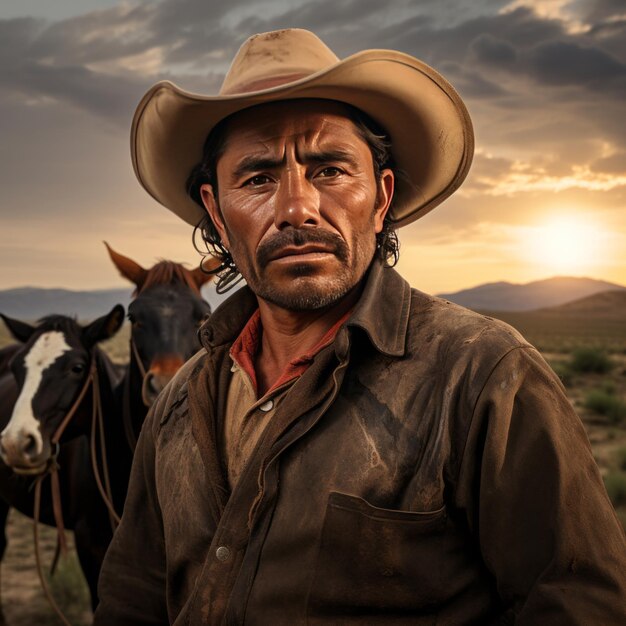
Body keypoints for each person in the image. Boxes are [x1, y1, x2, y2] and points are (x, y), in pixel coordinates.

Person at [94, 28, 626, 625]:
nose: (296, 208)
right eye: (258, 178)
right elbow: (132, 597)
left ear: (381, 197)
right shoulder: (178, 406)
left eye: (329, 170)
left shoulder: (483, 376)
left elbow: (578, 605)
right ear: (216, 212)